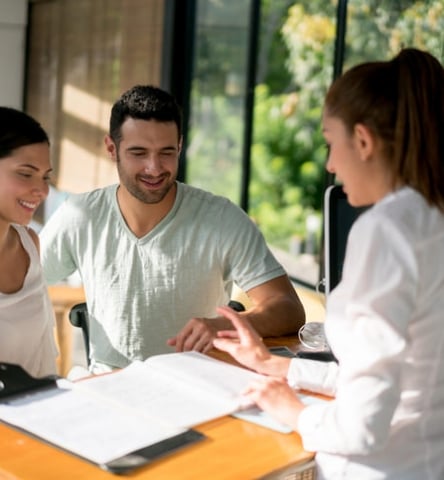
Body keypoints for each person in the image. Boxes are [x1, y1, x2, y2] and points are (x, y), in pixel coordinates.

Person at [213, 48, 444, 480]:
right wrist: (277, 366)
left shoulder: (386, 231)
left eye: (330, 143)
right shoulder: (432, 218)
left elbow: (364, 426)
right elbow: (397, 376)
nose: (331, 165)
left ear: (363, 141)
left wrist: (294, 412)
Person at [40, 85, 305, 373]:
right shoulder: (81, 215)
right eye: (138, 153)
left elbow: (288, 307)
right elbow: (16, 283)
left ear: (179, 146)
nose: (154, 168)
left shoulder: (221, 219)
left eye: (166, 152)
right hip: (109, 386)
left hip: (197, 383)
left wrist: (224, 325)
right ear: (111, 149)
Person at [0, 107, 58, 378]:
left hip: (35, 411)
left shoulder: (30, 243)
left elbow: (44, 355)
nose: (43, 190)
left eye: (45, 176)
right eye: (26, 173)